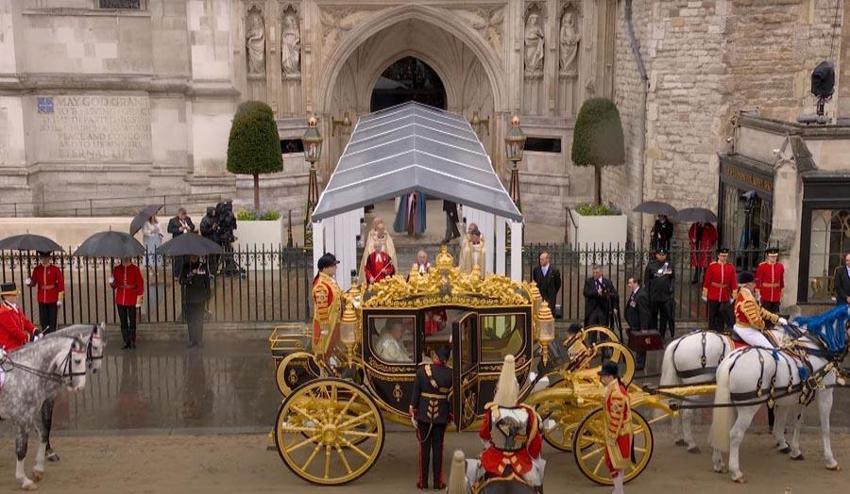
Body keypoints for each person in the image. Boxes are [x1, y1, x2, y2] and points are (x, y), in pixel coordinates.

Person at [474, 354, 544, 487]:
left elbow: (484, 435)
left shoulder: (492, 411)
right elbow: (535, 447)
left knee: (474, 480)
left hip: (494, 461)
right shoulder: (528, 412)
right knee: (538, 484)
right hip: (521, 463)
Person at [410, 346, 453, 490]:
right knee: (438, 450)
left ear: (435, 358)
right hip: (441, 416)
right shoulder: (451, 374)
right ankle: (437, 483)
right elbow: (452, 399)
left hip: (423, 415)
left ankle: (423, 482)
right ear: (446, 360)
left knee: (424, 450)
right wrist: (451, 415)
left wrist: (413, 410)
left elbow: (416, 395)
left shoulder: (422, 371)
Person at [598, 361, 633, 494]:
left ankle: (619, 491)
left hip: (619, 434)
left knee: (614, 464)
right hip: (622, 432)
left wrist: (612, 436)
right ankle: (618, 490)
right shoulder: (617, 387)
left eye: (604, 376)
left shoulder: (616, 393)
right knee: (618, 464)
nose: (602, 379)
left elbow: (616, 419)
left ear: (610, 377)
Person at [733, 271, 785, 348]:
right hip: (747, 330)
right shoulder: (747, 299)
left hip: (743, 326)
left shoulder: (744, 294)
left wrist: (776, 319)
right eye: (754, 282)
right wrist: (764, 326)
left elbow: (759, 310)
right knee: (770, 349)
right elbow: (755, 321)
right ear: (748, 284)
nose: (755, 285)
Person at [25, 251, 64, 334]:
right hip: (42, 298)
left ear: (49, 258)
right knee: (43, 321)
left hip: (53, 298)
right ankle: (45, 337)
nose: (44, 260)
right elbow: (34, 282)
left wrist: (60, 299)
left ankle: (53, 337)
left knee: (52, 321)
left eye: (46, 258)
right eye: (42, 258)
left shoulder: (55, 269)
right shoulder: (37, 269)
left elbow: (61, 285)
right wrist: (29, 282)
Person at [312, 253, 342, 356]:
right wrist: (324, 329)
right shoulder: (321, 285)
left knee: (331, 348)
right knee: (324, 350)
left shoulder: (329, 281)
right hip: (327, 326)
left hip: (334, 323)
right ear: (325, 268)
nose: (336, 268)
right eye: (333, 266)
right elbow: (322, 310)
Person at [110, 257, 144, 349]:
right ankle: (126, 341)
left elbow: (140, 284)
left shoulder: (135, 269)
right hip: (120, 299)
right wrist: (112, 282)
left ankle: (132, 340)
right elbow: (115, 286)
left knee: (132, 322)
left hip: (132, 298)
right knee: (123, 322)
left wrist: (139, 300)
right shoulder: (116, 269)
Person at [180, 256, 212, 348]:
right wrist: (187, 279)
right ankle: (192, 340)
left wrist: (208, 295)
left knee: (199, 319)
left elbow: (207, 281)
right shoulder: (185, 266)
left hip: (200, 297)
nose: (194, 257)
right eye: (192, 255)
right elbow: (181, 281)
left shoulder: (203, 266)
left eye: (196, 255)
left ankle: (199, 340)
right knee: (191, 320)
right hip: (190, 298)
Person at [702, 248, 736, 332]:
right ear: (718, 256)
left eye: (725, 256)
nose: (724, 258)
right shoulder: (712, 266)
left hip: (725, 295)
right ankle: (711, 331)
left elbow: (733, 282)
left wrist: (733, 295)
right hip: (713, 294)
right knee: (712, 315)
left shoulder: (730, 267)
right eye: (722, 256)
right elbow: (707, 281)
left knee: (722, 315)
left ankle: (720, 332)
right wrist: (705, 294)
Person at [644, 248, 675, 339]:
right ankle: (654, 334)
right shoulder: (651, 265)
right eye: (660, 254)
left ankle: (661, 335)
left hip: (665, 295)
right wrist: (648, 292)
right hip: (654, 295)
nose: (662, 256)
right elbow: (647, 280)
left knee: (664, 317)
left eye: (663, 255)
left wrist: (671, 288)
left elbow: (672, 278)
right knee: (653, 315)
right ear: (656, 255)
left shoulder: (669, 265)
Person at [625, 277, 651, 370]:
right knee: (634, 343)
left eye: (630, 283)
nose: (628, 285)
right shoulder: (635, 293)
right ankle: (630, 359)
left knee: (641, 345)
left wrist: (644, 328)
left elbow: (644, 313)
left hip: (639, 325)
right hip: (634, 325)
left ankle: (640, 364)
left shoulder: (641, 295)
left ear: (636, 283)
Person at [0, 283, 36, 351]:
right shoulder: (3, 312)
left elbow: (25, 322)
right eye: (13, 294)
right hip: (9, 347)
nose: (16, 296)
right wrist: (30, 337)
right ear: (5, 296)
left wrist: (34, 330)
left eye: (16, 294)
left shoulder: (15, 308)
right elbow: (14, 331)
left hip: (19, 344)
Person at [532, 250, 562, 315]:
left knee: (550, 316)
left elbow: (558, 284)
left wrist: (553, 293)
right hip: (539, 299)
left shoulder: (554, 270)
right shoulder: (536, 270)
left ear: (547, 259)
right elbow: (535, 283)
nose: (540, 261)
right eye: (540, 259)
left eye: (542, 259)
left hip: (550, 298)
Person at [168, 208, 195, 279]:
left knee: (187, 257)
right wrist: (178, 229)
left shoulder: (188, 219)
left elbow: (193, 226)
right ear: (178, 214)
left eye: (184, 215)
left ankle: (186, 272)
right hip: (178, 241)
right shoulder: (173, 220)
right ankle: (176, 274)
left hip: (187, 240)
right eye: (182, 215)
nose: (183, 217)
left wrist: (189, 227)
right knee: (178, 258)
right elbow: (169, 229)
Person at [755, 247, 785, 313]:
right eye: (771, 256)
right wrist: (758, 294)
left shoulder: (780, 266)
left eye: (775, 256)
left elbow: (781, 280)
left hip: (776, 295)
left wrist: (781, 292)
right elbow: (758, 281)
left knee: (775, 315)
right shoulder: (762, 266)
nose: (773, 258)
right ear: (767, 256)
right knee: (765, 315)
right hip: (765, 295)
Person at [199, 206, 219, 274]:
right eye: (213, 211)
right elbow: (203, 231)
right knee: (210, 257)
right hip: (208, 241)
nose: (214, 212)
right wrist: (212, 229)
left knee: (215, 256)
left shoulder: (214, 218)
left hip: (215, 240)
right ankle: (211, 271)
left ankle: (214, 270)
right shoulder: (205, 220)